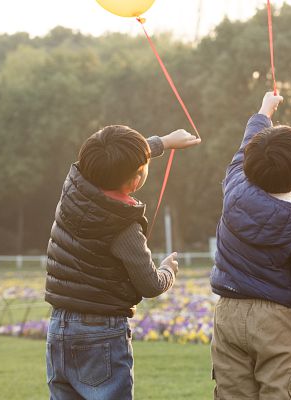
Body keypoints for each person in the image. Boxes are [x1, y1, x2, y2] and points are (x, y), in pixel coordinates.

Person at [44, 125, 200, 399]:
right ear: (136, 179)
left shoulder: (73, 188)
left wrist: (163, 142)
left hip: (59, 325)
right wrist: (168, 270)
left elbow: (110, 160)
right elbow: (150, 285)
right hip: (101, 333)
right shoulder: (122, 225)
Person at [210, 92, 291, 400]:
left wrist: (263, 111)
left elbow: (246, 144)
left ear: (248, 163)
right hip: (279, 322)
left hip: (229, 312)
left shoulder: (234, 187)